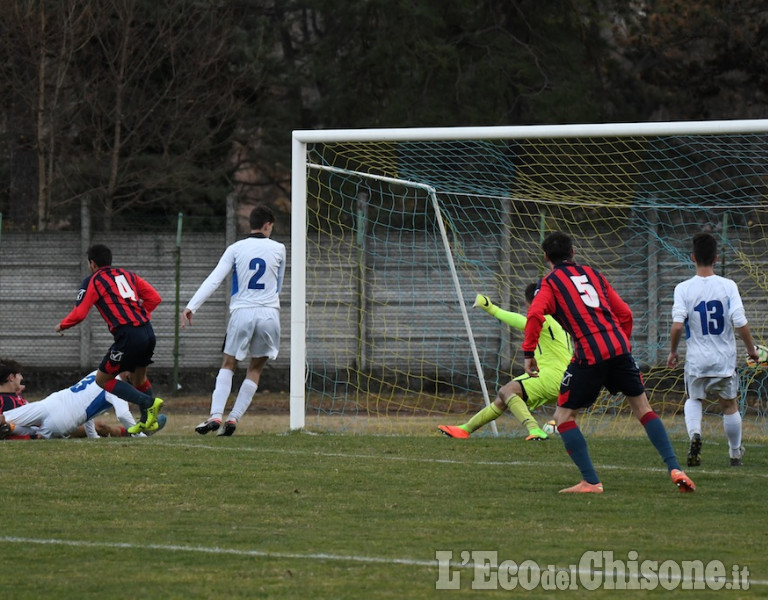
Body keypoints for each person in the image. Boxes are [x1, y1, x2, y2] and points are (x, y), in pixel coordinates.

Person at [523, 231, 695, 494]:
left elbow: (535, 313)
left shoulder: (550, 282)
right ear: (573, 253)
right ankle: (675, 467)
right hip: (619, 349)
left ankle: (590, 482)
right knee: (643, 409)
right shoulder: (594, 274)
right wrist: (620, 346)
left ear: (546, 257)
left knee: (564, 416)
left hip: (589, 354)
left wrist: (528, 353)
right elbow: (625, 313)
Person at [181, 205, 286, 437]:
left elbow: (215, 279)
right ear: (268, 225)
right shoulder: (279, 248)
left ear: (251, 224)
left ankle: (216, 415)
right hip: (269, 313)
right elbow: (278, 285)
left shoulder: (236, 248)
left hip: (242, 312)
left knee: (229, 364)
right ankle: (234, 418)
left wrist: (192, 306)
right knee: (255, 368)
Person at [667, 232, 757, 467]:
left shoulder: (683, 289)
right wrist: (751, 350)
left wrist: (673, 351)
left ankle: (695, 434)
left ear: (693, 257)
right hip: (724, 361)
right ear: (716, 258)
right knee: (729, 405)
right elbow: (740, 321)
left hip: (697, 361)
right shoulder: (728, 286)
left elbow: (677, 326)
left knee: (693, 399)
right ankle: (735, 453)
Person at [438, 284, 572, 440]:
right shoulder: (562, 323)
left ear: (529, 303)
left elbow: (520, 321)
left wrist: (491, 309)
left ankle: (534, 429)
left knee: (507, 391)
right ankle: (465, 429)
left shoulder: (544, 318)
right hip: (566, 380)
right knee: (503, 399)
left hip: (551, 376)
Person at [54, 244, 164, 434]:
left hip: (128, 336)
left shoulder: (93, 281)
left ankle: (148, 403)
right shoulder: (128, 275)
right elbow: (154, 298)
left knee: (102, 379)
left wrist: (62, 325)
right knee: (139, 379)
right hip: (147, 331)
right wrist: (138, 316)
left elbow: (80, 314)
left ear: (92, 263)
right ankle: (148, 420)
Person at [0, 369, 167, 440]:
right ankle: (11, 429)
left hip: (52, 401)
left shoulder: (99, 373)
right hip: (64, 420)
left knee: (6, 419)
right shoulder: (117, 387)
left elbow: (86, 403)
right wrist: (140, 436)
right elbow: (123, 415)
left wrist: (92, 436)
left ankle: (10, 428)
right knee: (33, 434)